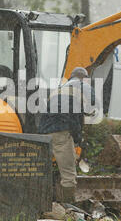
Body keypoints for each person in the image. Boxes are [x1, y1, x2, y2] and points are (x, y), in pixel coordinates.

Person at [38, 67, 96, 203]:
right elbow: (91, 102)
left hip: (44, 134)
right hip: (61, 133)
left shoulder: (58, 90)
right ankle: (69, 209)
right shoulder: (80, 85)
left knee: (43, 171)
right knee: (69, 175)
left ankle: (44, 203)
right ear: (84, 78)